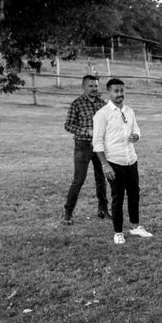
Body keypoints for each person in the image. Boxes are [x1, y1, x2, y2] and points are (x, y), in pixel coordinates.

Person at [93, 78, 153, 244]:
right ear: (109, 93)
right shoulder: (102, 114)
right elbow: (97, 142)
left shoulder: (129, 111)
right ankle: (118, 232)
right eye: (116, 91)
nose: (120, 94)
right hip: (114, 162)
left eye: (122, 90)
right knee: (117, 197)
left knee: (134, 195)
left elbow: (136, 128)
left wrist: (136, 136)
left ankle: (135, 226)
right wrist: (105, 165)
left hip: (131, 160)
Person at [61, 75, 109, 224]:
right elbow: (68, 125)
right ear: (84, 87)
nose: (94, 89)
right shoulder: (77, 104)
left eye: (96, 86)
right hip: (83, 146)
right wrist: (85, 131)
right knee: (78, 180)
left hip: (100, 147)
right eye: (91, 86)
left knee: (101, 179)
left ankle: (103, 210)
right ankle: (67, 213)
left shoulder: (103, 104)